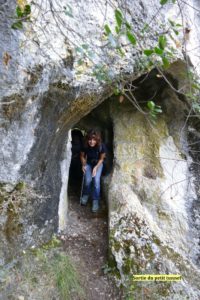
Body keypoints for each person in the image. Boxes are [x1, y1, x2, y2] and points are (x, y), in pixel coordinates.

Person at [80, 129, 106, 212]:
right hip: (88, 163)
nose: (91, 142)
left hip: (98, 163)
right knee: (88, 180)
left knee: (96, 181)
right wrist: (83, 165)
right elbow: (82, 156)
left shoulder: (101, 146)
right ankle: (85, 195)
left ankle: (95, 200)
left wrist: (96, 167)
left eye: (94, 140)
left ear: (97, 140)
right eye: (90, 139)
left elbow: (102, 159)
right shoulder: (85, 145)